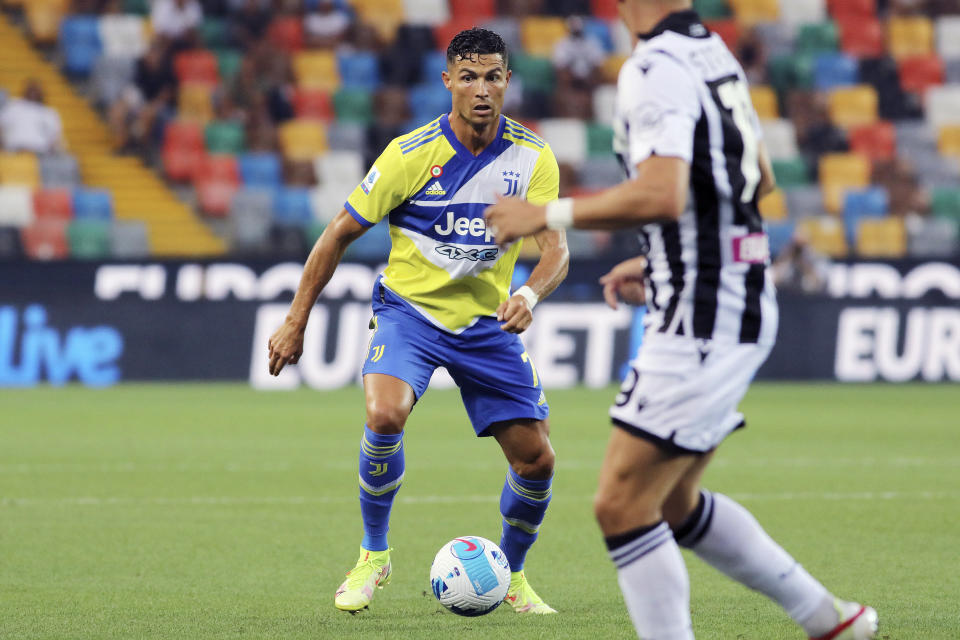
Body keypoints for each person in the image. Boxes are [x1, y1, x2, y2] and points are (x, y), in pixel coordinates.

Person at [484, 2, 878, 639]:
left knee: (620, 504)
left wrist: (544, 215)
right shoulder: (709, 49)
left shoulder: (655, 64)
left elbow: (663, 192)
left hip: (705, 306)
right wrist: (671, 261)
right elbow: (758, 176)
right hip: (715, 287)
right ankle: (830, 619)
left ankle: (826, 618)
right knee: (670, 503)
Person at [267, 27, 568, 615]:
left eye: (492, 77)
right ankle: (373, 554)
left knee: (538, 460)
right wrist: (297, 319)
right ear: (448, 81)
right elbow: (338, 235)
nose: (481, 89)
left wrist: (529, 295)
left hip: (487, 325)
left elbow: (555, 251)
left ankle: (511, 574)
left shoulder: (532, 156)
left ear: (507, 81)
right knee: (384, 413)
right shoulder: (409, 156)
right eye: (469, 76)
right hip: (410, 314)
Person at [0, 79, 64, 154]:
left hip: (40, 154)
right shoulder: (12, 106)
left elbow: (55, 137)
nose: (33, 93)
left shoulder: (49, 113)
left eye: (36, 90)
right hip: (14, 152)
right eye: (31, 90)